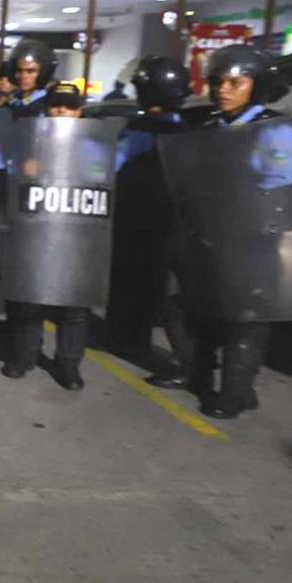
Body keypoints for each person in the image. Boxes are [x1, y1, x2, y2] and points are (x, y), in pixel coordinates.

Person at [186, 45, 292, 418]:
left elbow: (280, 186)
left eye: (236, 82)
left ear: (256, 85)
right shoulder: (210, 125)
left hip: (254, 238)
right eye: (218, 82)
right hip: (212, 236)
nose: (223, 90)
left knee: (246, 320)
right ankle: (211, 380)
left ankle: (234, 393)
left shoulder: (272, 130)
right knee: (207, 313)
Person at [1, 82, 97, 390]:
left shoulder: (93, 144)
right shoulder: (31, 139)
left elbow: (102, 177)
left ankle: (68, 364)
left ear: (79, 110)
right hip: (38, 229)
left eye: (68, 106)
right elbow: (10, 173)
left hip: (78, 231)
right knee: (30, 296)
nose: (60, 111)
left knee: (74, 305)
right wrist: (25, 170)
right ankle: (24, 356)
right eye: (55, 104)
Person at [105, 56, 194, 384]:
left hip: (135, 218)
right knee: (155, 289)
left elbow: (112, 166)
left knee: (130, 284)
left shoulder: (140, 130)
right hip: (171, 222)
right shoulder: (188, 127)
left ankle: (126, 338)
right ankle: (134, 338)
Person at [7, 38, 57, 118]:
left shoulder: (52, 104)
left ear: (44, 72)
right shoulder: (11, 101)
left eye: (31, 71)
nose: (23, 76)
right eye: (19, 71)